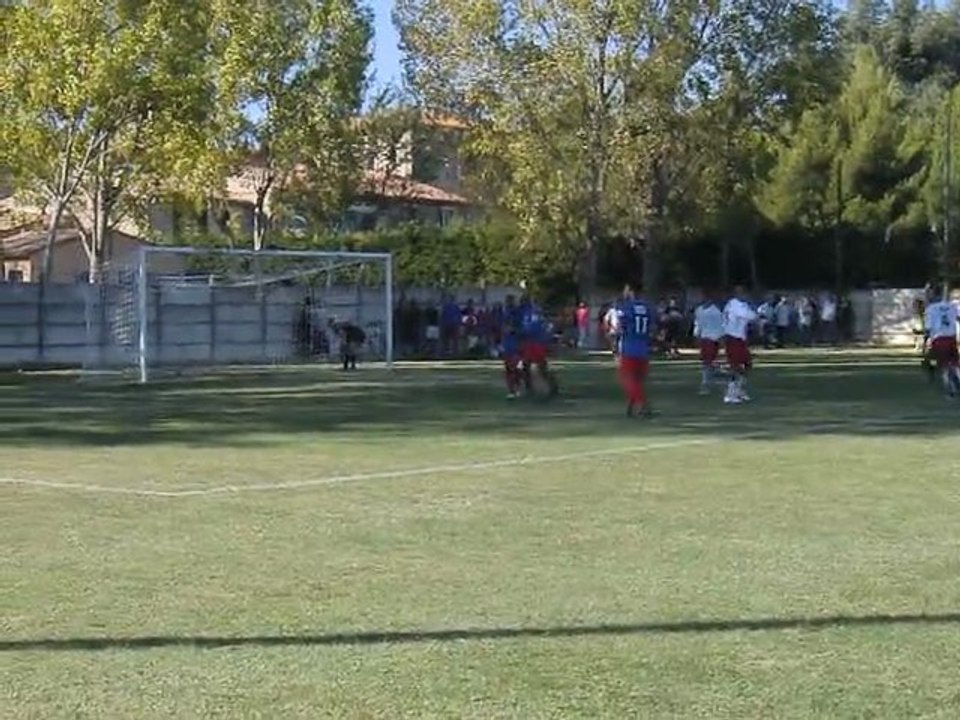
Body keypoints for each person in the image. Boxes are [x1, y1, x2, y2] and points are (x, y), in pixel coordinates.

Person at [613, 284, 654, 418]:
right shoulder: (648, 307)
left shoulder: (625, 307)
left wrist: (615, 348)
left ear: (631, 291)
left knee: (626, 379)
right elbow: (653, 327)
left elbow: (618, 328)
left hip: (629, 347)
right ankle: (632, 407)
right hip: (643, 348)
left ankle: (642, 405)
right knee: (637, 381)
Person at [722, 286, 757, 405]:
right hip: (733, 338)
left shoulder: (734, 304)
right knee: (735, 366)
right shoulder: (735, 305)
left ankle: (739, 389)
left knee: (747, 364)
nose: (745, 295)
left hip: (740, 338)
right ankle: (730, 394)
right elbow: (750, 316)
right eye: (742, 292)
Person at [519, 294, 559, 397]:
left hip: (537, 342)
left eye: (523, 301)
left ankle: (552, 387)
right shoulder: (525, 312)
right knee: (526, 366)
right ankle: (529, 388)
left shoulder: (534, 312)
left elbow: (533, 327)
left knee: (541, 367)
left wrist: (522, 332)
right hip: (530, 342)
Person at [923, 289, 960, 397]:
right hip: (951, 338)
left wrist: (926, 340)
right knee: (955, 364)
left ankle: (950, 390)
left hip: (938, 338)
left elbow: (928, 327)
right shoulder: (952, 307)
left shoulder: (931, 309)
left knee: (944, 366)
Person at [693, 293, 725, 395]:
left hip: (713, 339)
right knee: (707, 362)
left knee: (708, 362)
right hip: (705, 338)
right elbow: (698, 323)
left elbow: (721, 325)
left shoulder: (715, 311)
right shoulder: (699, 310)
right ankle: (708, 382)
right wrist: (697, 335)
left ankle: (707, 383)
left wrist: (721, 338)